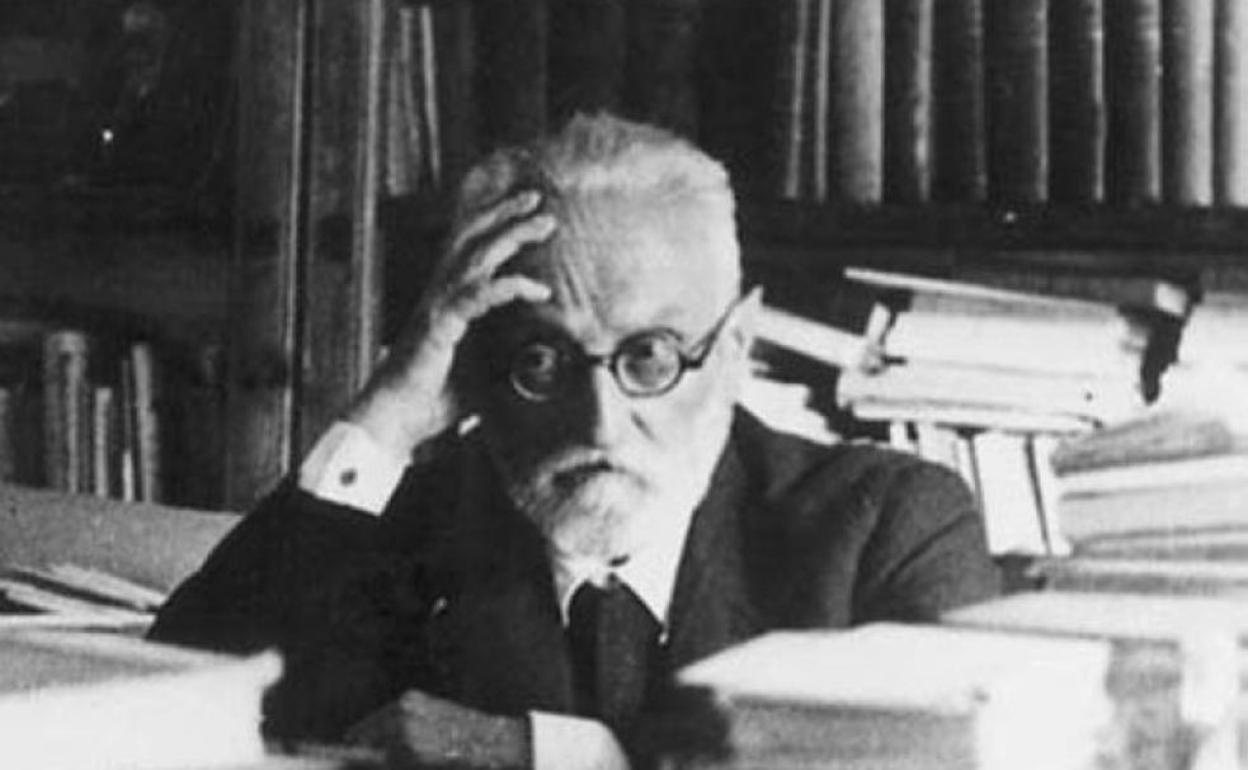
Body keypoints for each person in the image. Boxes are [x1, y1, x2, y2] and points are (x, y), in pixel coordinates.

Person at [150, 113, 1000, 769]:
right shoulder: (410, 528)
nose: (598, 423)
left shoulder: (886, 525)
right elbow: (151, 724)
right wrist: (387, 415)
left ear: (734, 347)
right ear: (475, 361)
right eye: (540, 361)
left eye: (650, 357)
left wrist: (542, 753)